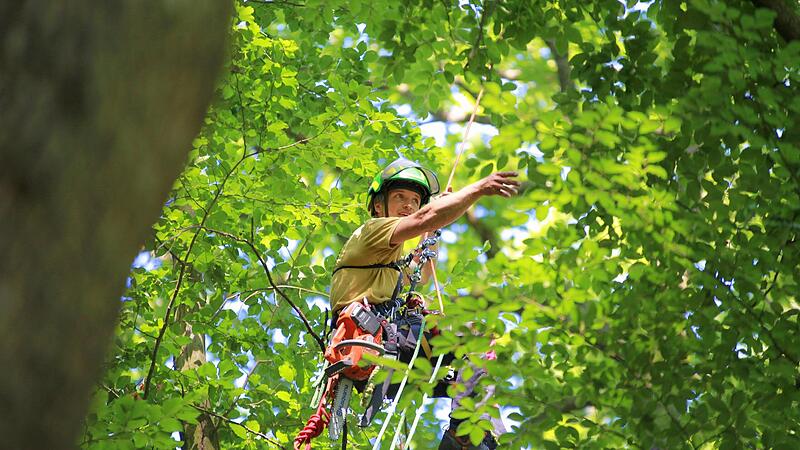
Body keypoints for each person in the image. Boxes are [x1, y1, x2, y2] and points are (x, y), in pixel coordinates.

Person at [328, 157, 519, 450]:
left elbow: (424, 273)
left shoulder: (389, 261)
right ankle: (465, 430)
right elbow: (421, 220)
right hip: (374, 341)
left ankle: (477, 438)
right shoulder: (370, 232)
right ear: (378, 206)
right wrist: (477, 189)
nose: (409, 205)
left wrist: (433, 228)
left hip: (392, 347)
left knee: (474, 376)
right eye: (400, 197)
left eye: (415, 201)